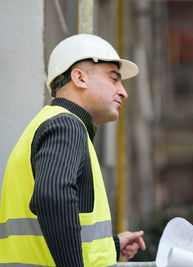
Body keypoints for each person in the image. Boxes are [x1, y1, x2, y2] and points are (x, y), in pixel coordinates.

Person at [0, 34, 146, 266]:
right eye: (114, 79)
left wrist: (111, 245)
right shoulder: (66, 126)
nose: (123, 92)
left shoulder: (50, 123)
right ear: (80, 78)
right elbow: (53, 197)